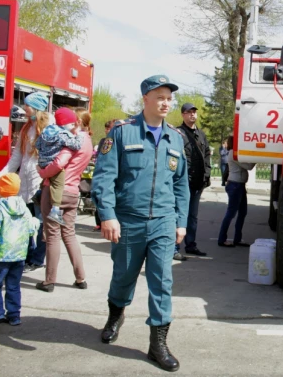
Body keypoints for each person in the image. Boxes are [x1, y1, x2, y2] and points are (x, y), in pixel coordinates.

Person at [91, 75, 190, 372]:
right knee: (123, 277)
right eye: (159, 96)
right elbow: (104, 178)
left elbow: (181, 185)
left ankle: (157, 344)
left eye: (169, 98)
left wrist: (181, 222)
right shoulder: (122, 133)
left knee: (162, 282)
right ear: (145, 99)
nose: (166, 102)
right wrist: (107, 215)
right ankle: (115, 315)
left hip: (163, 221)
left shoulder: (175, 138)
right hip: (129, 221)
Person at [36, 108, 92, 292]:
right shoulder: (88, 142)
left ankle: (49, 281)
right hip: (73, 191)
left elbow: (59, 163)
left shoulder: (71, 141)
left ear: (76, 122)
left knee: (52, 236)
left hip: (55, 192)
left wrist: (42, 172)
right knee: (69, 234)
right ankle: (81, 278)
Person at [0, 91, 51, 273]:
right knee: (25, 222)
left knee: (40, 222)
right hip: (24, 184)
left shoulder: (49, 127)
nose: (24, 107)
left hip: (39, 183)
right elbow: (17, 157)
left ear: (35, 107)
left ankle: (37, 260)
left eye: (27, 104)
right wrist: (3, 175)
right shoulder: (26, 128)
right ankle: (27, 256)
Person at [0, 173, 40, 329]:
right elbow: (31, 228)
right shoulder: (24, 208)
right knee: (13, 285)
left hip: (0, 255)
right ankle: (14, 316)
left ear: (0, 191)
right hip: (19, 255)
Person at [174, 102, 211, 260]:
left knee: (193, 217)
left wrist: (207, 174)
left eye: (194, 112)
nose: (192, 115)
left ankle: (191, 245)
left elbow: (207, 154)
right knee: (179, 215)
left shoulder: (201, 134)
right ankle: (174, 247)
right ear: (183, 114)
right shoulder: (177, 133)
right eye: (189, 112)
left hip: (197, 183)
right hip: (183, 183)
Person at [36, 107, 84, 225]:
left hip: (42, 162)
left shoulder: (46, 131)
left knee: (48, 183)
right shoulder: (63, 134)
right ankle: (55, 210)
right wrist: (78, 135)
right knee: (58, 185)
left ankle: (40, 205)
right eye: (71, 124)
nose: (73, 126)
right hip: (53, 163)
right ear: (66, 123)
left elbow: (37, 145)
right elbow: (76, 145)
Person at [217, 135, 256, 247]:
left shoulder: (235, 152)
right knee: (231, 213)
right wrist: (257, 157)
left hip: (239, 185)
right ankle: (222, 239)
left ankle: (237, 239)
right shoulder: (233, 153)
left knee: (242, 212)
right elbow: (248, 166)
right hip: (235, 185)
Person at [93, 119, 119, 231]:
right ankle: (101, 221)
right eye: (106, 128)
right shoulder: (104, 141)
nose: (107, 130)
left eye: (109, 128)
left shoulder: (119, 139)